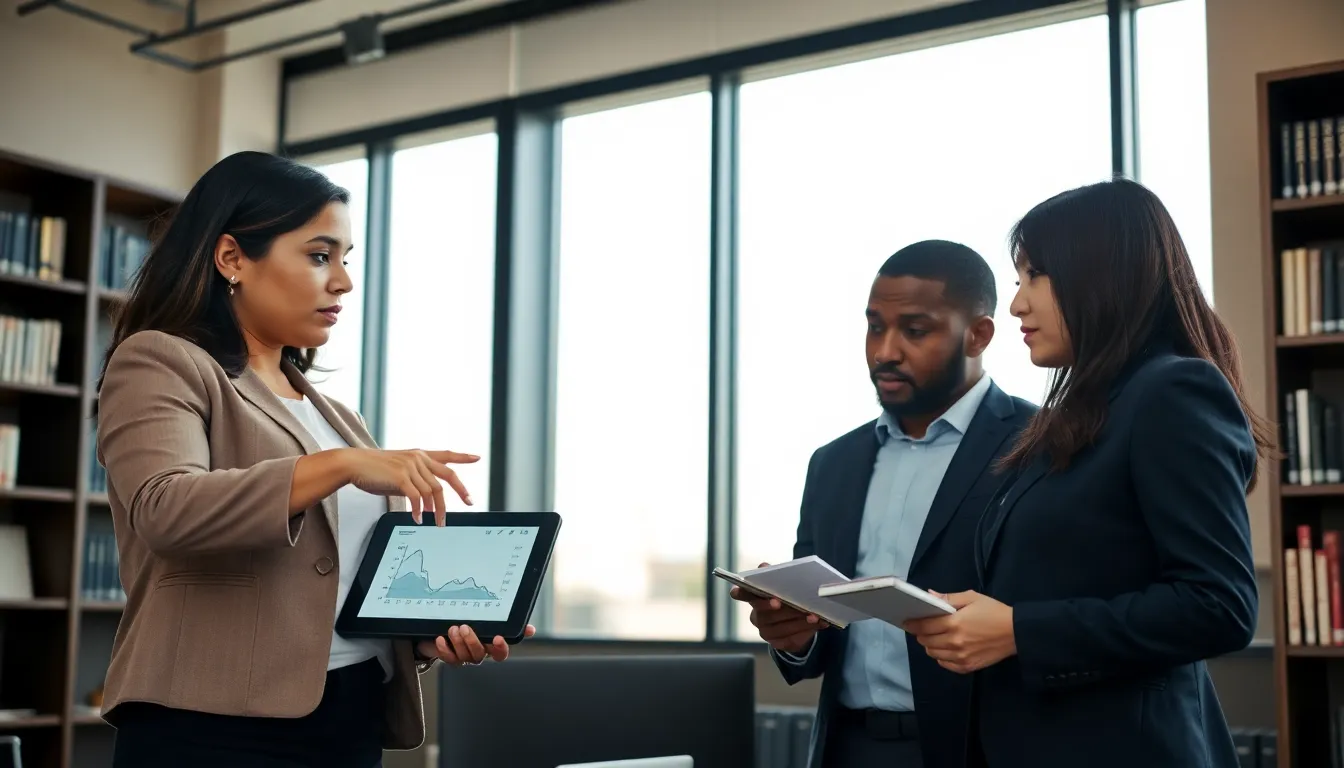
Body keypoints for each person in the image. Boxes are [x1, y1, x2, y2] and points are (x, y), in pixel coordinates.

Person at [94, 151, 533, 768]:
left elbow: (335, 579)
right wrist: (342, 466)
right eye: (319, 255)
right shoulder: (161, 361)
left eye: (345, 260)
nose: (344, 281)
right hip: (212, 726)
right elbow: (166, 509)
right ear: (232, 259)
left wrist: (424, 634)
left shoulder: (337, 417)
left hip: (346, 717)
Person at [904, 178, 1272, 768]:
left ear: (1101, 274)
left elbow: (1218, 605)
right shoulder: (1078, 415)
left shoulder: (1173, 392)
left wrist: (1021, 630)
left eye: (1034, 277)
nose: (1017, 303)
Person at [731, 241, 1037, 768]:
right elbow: (816, 636)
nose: (885, 351)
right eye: (875, 327)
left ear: (979, 335)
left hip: (984, 750)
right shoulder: (833, 463)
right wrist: (793, 634)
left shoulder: (1040, 446)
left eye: (914, 331)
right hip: (848, 746)